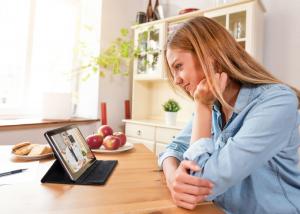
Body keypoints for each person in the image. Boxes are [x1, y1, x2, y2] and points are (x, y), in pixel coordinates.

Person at [158, 16, 300, 214]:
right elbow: (172, 149)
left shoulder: (276, 102)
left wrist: (202, 107)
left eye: (178, 67)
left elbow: (200, 183)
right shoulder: (214, 103)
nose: (176, 80)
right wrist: (174, 179)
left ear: (208, 57)